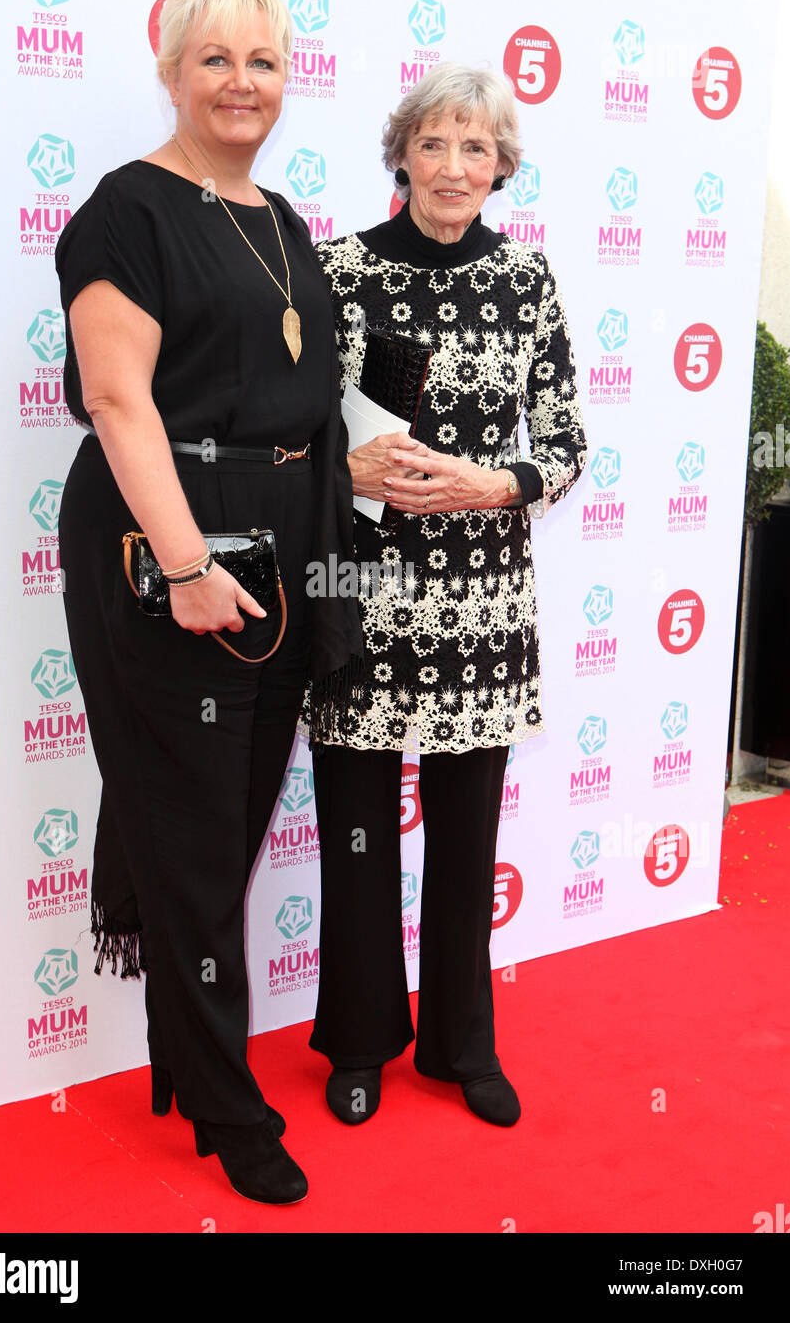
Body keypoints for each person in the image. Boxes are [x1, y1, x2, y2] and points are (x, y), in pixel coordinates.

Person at [55, 0, 361, 1204]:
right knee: (189, 830)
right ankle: (224, 1105)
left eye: (265, 62)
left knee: (225, 817)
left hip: (286, 539)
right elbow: (119, 398)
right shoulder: (126, 212)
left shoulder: (283, 219)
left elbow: (300, 393)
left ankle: (183, 1053)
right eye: (217, 59)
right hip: (168, 538)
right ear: (172, 71)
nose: (243, 82)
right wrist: (183, 562)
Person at [309, 62, 587, 1127]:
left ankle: (461, 1041)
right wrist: (342, 471)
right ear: (401, 155)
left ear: (500, 168)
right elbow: (290, 434)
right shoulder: (333, 269)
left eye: (477, 148)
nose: (454, 165)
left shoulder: (527, 279)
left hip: (482, 606)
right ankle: (360, 1040)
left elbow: (563, 442)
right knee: (357, 830)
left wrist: (496, 483)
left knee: (466, 836)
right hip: (362, 589)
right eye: (435, 142)